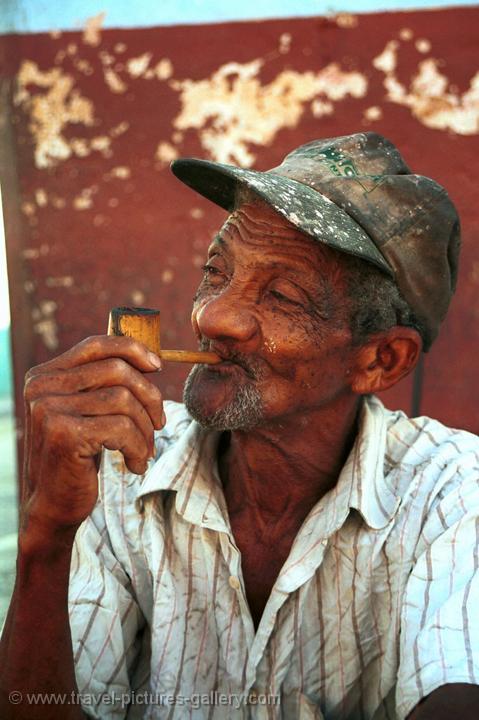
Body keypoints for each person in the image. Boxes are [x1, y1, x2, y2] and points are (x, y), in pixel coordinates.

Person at [0, 131, 478, 720]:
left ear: (380, 360)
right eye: (216, 271)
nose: (212, 314)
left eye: (282, 295)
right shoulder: (121, 462)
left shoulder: (452, 493)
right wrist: (47, 534)